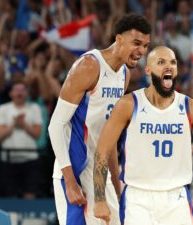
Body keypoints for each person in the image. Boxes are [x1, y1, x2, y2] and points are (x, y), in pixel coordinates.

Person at [92, 46, 193, 225]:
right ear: (148, 69)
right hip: (137, 198)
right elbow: (102, 150)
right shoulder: (128, 104)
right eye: (161, 62)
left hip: (176, 198)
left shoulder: (192, 108)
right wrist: (99, 198)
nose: (168, 66)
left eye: (173, 62)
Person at [48, 13, 151, 225]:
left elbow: (109, 136)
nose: (141, 51)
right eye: (137, 43)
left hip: (99, 172)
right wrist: (69, 181)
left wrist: (117, 183)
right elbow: (55, 126)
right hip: (76, 166)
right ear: (119, 39)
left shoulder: (124, 75)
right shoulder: (89, 66)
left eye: (146, 45)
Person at [0, 81, 42, 198]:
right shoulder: (3, 109)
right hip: (8, 159)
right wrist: (13, 124)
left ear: (26, 93)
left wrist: (23, 124)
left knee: (30, 193)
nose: (19, 93)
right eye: (16, 90)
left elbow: (37, 134)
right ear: (11, 93)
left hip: (30, 158)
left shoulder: (34, 108)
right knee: (10, 195)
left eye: (22, 90)